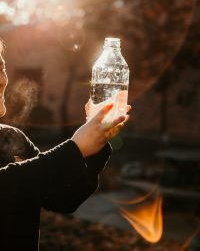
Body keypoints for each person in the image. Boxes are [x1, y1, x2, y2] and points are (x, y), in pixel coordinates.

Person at [0, 41, 131, 251]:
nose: (1, 80)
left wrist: (95, 142)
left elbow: (61, 197)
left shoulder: (10, 137)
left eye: (1, 68)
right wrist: (76, 148)